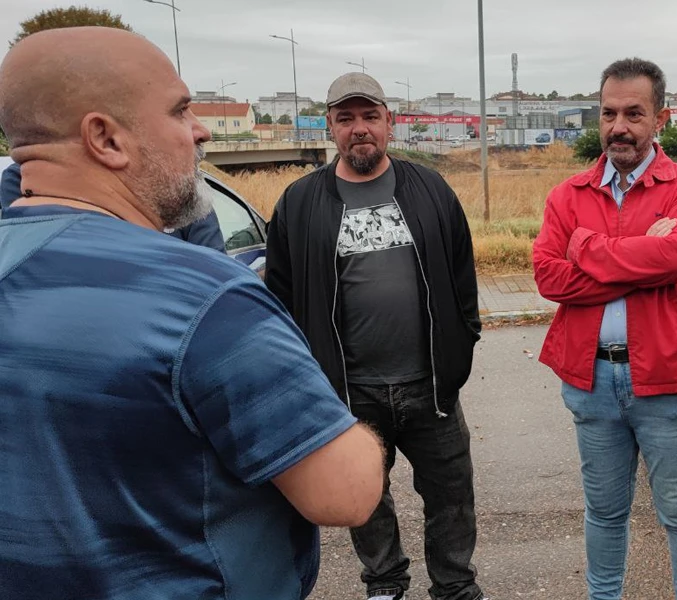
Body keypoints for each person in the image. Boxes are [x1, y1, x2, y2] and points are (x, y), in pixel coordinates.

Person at [0, 27, 385, 600]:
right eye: (181, 111)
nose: (201, 130)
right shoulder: (203, 297)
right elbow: (346, 493)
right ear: (105, 138)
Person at [265, 72, 484, 600]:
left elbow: (461, 273)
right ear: (331, 128)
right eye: (346, 119)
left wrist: (463, 341)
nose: (359, 129)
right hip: (349, 392)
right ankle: (385, 584)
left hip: (430, 386)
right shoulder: (299, 203)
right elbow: (281, 297)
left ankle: (454, 586)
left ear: (389, 122)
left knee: (452, 497)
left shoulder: (429, 187)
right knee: (365, 499)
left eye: (369, 117)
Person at [532, 57, 677, 600]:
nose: (620, 126)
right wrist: (644, 264)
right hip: (592, 380)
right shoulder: (568, 194)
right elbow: (549, 276)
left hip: (671, 379)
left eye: (634, 113)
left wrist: (587, 249)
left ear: (660, 118)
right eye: (609, 113)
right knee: (604, 511)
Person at [2, 160, 227, 252]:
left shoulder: (175, 180)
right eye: (177, 112)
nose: (200, 131)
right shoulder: (23, 178)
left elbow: (216, 269)